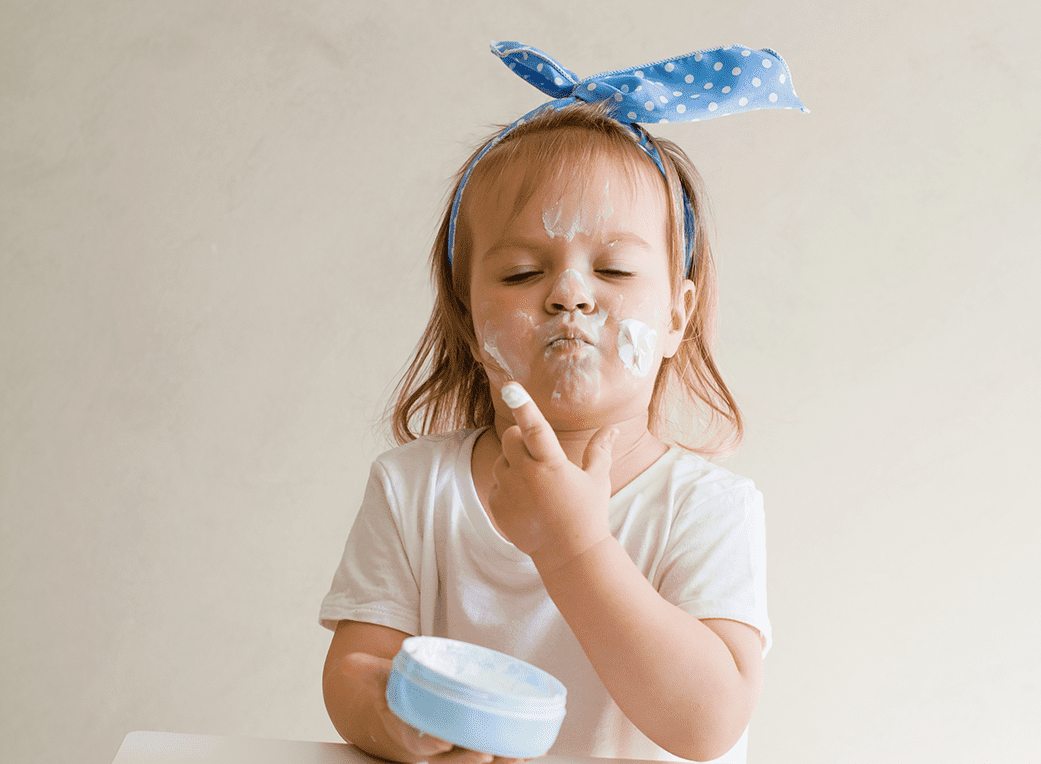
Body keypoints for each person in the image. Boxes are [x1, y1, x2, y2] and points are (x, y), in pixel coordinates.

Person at [319, 42, 806, 764]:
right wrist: (396, 724)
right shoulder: (415, 489)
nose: (569, 293)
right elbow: (355, 673)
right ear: (468, 317)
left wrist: (573, 543)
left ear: (677, 316)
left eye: (613, 268)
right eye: (521, 273)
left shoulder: (706, 508)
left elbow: (708, 724)